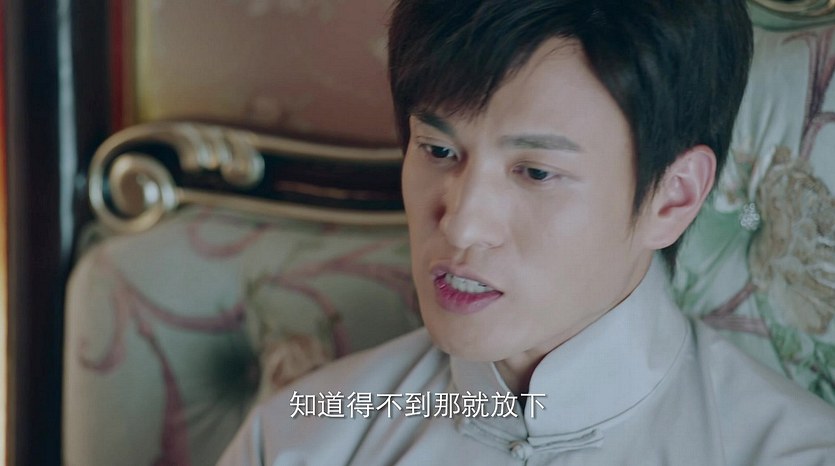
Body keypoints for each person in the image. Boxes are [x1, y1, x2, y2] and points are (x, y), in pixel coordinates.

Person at [219, 1, 835, 464]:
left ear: (672, 197)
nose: (461, 222)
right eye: (437, 149)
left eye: (536, 171)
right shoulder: (301, 439)